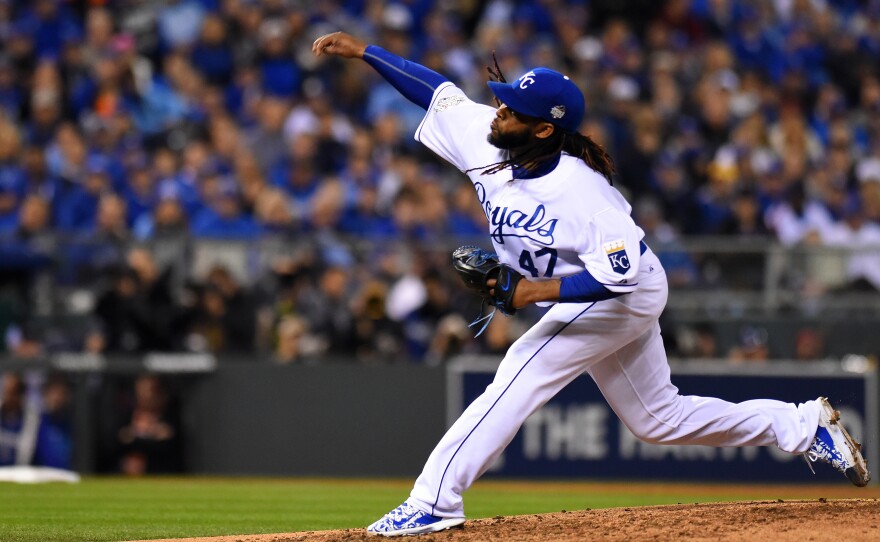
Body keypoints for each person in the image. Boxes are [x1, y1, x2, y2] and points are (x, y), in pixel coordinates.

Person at [311, 32, 871, 537]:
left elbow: (617, 279)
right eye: (503, 99)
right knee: (658, 419)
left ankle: (434, 500)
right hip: (602, 287)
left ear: (544, 129)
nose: (499, 109)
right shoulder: (489, 140)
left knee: (521, 369)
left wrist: (528, 293)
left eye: (512, 108)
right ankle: (803, 425)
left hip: (625, 291)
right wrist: (365, 52)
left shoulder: (585, 195)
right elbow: (437, 92)